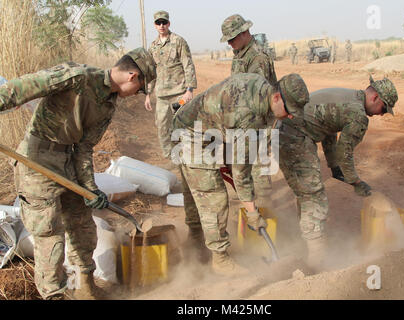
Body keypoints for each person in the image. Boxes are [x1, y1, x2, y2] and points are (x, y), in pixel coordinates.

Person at [0, 48, 155, 300]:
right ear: (133, 75)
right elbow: (27, 86)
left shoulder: (108, 105)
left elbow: (84, 147)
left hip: (69, 161)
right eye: (140, 89)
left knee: (82, 224)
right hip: (37, 159)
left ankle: (85, 284)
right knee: (49, 235)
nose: (137, 94)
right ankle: (55, 295)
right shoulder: (78, 76)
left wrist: (90, 188)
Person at [173, 72, 309, 276]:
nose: (290, 116)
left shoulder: (261, 85)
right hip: (192, 134)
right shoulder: (249, 117)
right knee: (213, 197)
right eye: (290, 111)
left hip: (199, 126)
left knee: (197, 188)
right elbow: (241, 173)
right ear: (277, 97)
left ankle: (195, 241)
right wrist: (253, 214)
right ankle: (220, 259)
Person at [278, 75, 398, 270]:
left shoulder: (347, 96)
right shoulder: (358, 114)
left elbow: (328, 129)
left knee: (306, 191)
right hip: (295, 137)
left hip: (283, 131)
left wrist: (334, 167)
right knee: (314, 195)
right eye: (384, 108)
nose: (381, 114)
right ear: (375, 97)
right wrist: (355, 182)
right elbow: (346, 153)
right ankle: (317, 259)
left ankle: (305, 243)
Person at [220, 14, 278, 209]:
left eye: (232, 39)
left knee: (258, 170)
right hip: (242, 120)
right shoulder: (241, 53)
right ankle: (249, 209)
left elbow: (257, 95)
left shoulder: (257, 57)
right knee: (242, 168)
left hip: (258, 122)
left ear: (245, 32)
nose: (230, 43)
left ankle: (265, 213)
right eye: (227, 40)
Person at [145, 10, 197, 160]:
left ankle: (188, 156)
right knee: (162, 126)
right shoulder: (153, 46)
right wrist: (148, 94)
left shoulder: (178, 41)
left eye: (164, 22)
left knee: (184, 125)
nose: (161, 25)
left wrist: (189, 90)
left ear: (168, 23)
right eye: (158, 23)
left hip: (179, 94)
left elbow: (188, 65)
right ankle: (170, 158)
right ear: (155, 25)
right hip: (161, 96)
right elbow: (151, 72)